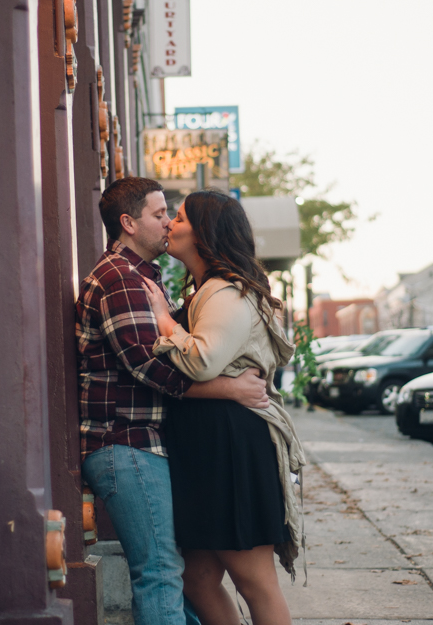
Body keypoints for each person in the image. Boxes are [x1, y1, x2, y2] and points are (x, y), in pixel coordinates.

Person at [77, 178, 271, 625]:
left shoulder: (146, 277)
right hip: (125, 443)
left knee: (180, 576)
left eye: (172, 214)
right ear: (128, 223)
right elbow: (150, 367)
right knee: (161, 573)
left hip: (147, 444)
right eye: (160, 213)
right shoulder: (120, 278)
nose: (168, 223)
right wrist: (227, 388)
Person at [140, 189, 305, 625]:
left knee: (255, 582)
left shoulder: (225, 291)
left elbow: (201, 360)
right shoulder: (206, 290)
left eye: (178, 217)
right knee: (197, 578)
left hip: (230, 447)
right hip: (208, 445)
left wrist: (163, 319)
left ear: (204, 231)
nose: (169, 225)